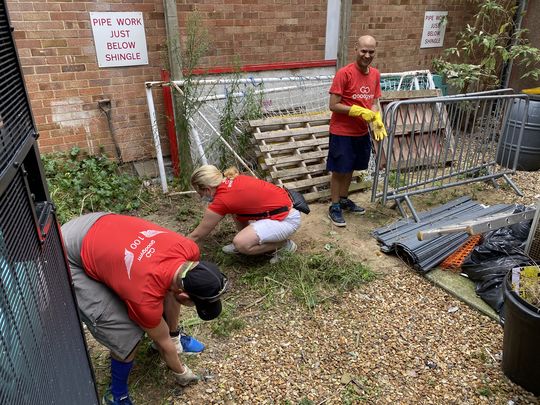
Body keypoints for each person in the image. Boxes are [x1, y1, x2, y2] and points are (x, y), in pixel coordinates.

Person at [61, 212, 228, 405]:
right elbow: (161, 340)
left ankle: (178, 336)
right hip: (68, 251)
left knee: (166, 285)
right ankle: (116, 393)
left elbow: (172, 289)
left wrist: (172, 336)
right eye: (197, 303)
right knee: (126, 333)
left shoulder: (188, 250)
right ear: (184, 296)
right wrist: (181, 372)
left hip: (100, 226)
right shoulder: (145, 298)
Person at [327, 35, 387, 227]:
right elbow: (333, 105)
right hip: (342, 131)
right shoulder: (344, 74)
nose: (367, 55)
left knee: (351, 167)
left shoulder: (375, 74)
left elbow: (374, 102)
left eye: (371, 52)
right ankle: (334, 205)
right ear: (356, 49)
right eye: (363, 51)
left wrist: (376, 118)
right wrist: (356, 110)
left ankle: (344, 199)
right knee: (339, 169)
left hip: (361, 132)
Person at [188, 165, 301, 264]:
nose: (201, 197)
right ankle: (250, 238)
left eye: (200, 193)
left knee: (241, 244)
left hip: (286, 220)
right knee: (234, 209)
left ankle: (283, 244)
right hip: (285, 209)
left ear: (207, 189)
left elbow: (197, 235)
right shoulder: (231, 180)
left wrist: (175, 249)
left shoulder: (223, 199)